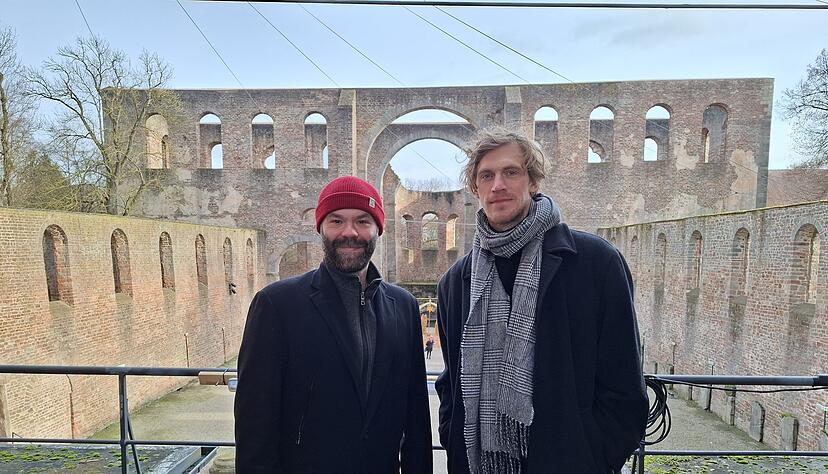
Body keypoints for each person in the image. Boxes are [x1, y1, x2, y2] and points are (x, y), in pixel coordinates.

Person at [435, 129, 648, 474]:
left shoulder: (595, 263)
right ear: (475, 189)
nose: (498, 185)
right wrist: (452, 435)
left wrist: (594, 455)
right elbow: (451, 381)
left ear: (533, 181)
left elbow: (623, 379)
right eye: (486, 176)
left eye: (511, 172)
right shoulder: (455, 283)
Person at [235, 176, 433, 473]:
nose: (349, 232)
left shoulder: (403, 306)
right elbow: (255, 421)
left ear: (379, 227)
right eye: (336, 221)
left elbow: (415, 412)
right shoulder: (278, 304)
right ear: (321, 229)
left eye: (363, 221)